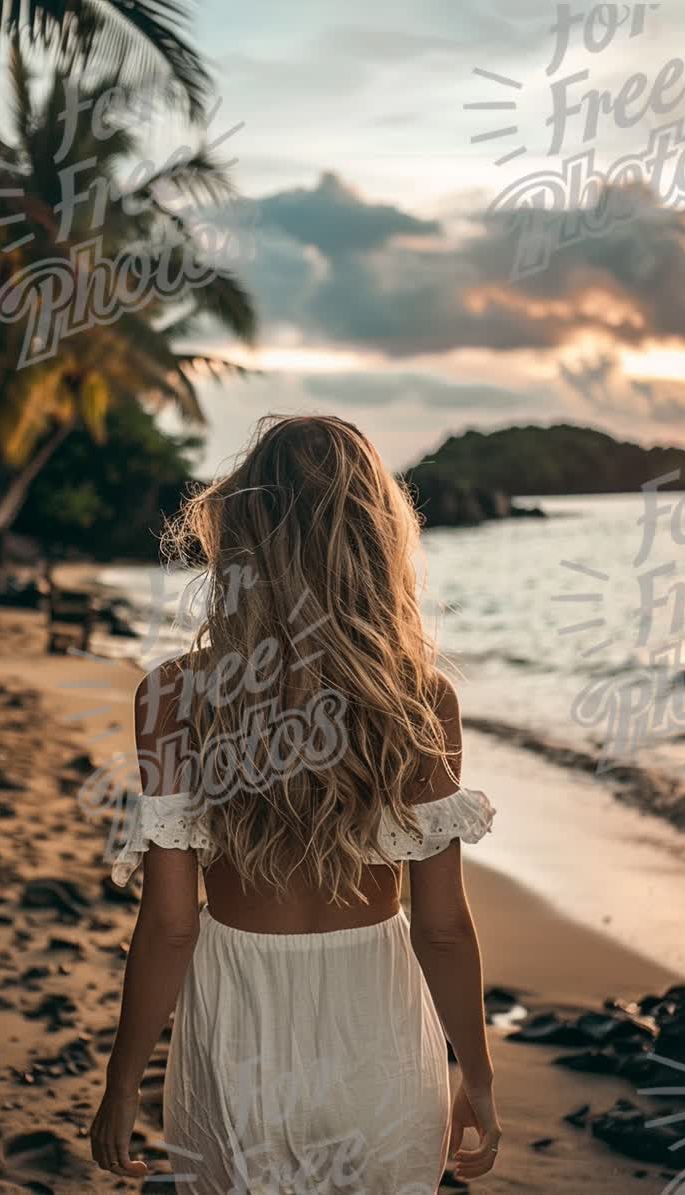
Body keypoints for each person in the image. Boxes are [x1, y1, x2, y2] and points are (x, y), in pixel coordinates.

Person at [90, 414, 501, 1193]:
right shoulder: (418, 700)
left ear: (242, 535)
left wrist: (122, 1080)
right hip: (375, 1035)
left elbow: (172, 923)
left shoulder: (174, 695)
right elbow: (442, 928)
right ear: (377, 540)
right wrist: (475, 1073)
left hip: (238, 1037)